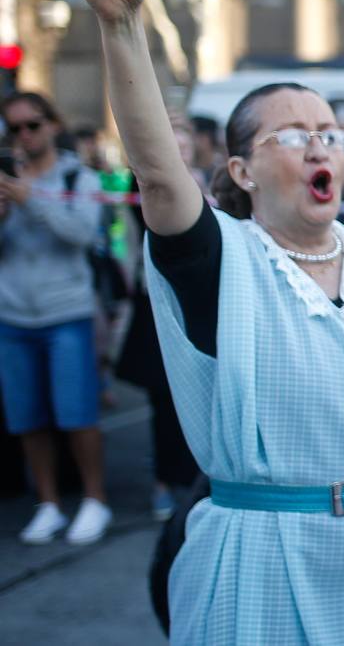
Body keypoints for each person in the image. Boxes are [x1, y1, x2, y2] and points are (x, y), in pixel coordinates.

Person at [66, 0, 344, 644]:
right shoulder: (223, 263)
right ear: (240, 172)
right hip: (265, 556)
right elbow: (155, 170)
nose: (319, 145)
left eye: (330, 133)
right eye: (291, 134)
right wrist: (121, 27)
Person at [0, 91, 112, 545]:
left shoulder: (77, 177)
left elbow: (82, 234)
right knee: (27, 418)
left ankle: (94, 499)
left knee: (77, 413)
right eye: (16, 128)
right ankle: (47, 504)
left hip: (66, 312)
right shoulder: (7, 180)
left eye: (33, 124)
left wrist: (32, 200)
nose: (25, 135)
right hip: (12, 316)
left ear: (52, 124)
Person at [115, 119, 205, 522]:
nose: (178, 151)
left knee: (200, 397)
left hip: (200, 303)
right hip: (156, 301)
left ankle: (196, 479)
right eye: (171, 144)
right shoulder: (140, 189)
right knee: (161, 398)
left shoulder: (214, 184)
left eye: (183, 144)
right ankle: (163, 483)